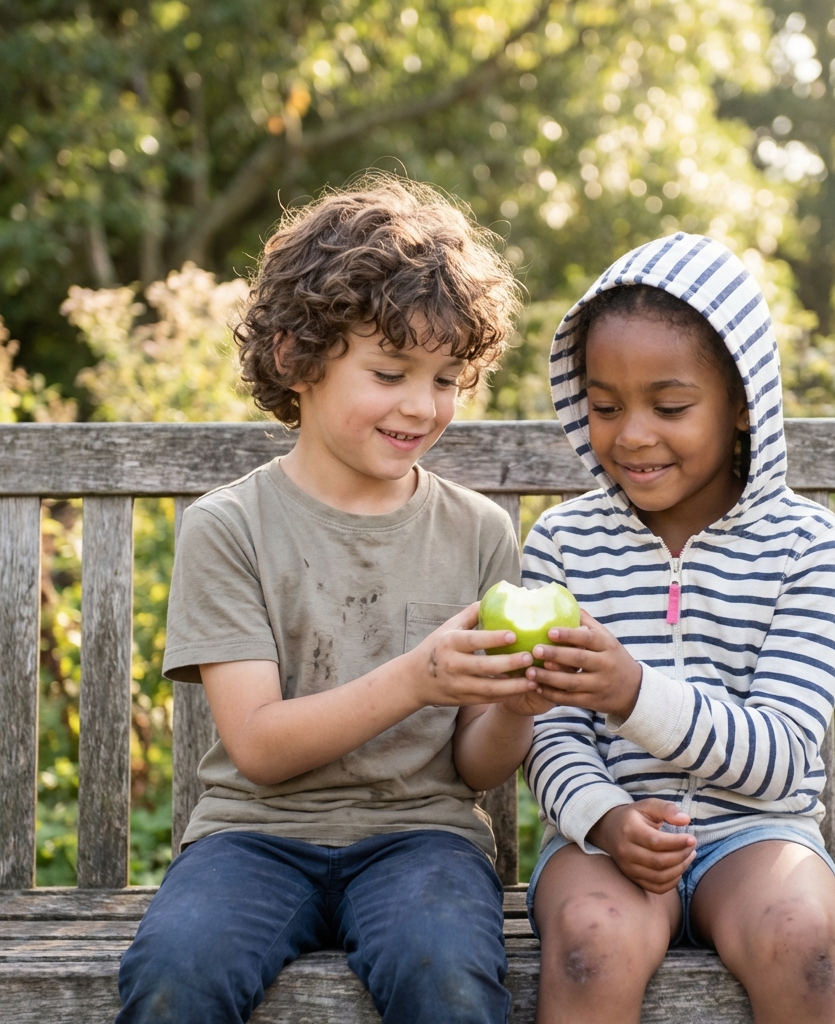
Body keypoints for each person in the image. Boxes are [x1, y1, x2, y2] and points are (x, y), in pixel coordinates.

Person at [116, 177, 548, 1024]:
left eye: (448, 379)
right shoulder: (230, 527)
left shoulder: (480, 535)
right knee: (175, 977)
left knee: (448, 980)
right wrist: (421, 676)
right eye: (390, 372)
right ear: (295, 358)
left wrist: (517, 705)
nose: (422, 406)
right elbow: (263, 749)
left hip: (423, 840)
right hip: (252, 837)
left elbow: (476, 767)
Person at [521, 234, 835, 1024]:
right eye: (605, 407)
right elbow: (546, 734)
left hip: (757, 835)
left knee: (802, 937)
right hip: (604, 837)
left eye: (669, 406)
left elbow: (782, 759)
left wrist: (634, 693)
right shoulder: (564, 543)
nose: (632, 435)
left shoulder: (805, 545)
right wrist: (605, 817)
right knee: (588, 941)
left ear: (742, 401)